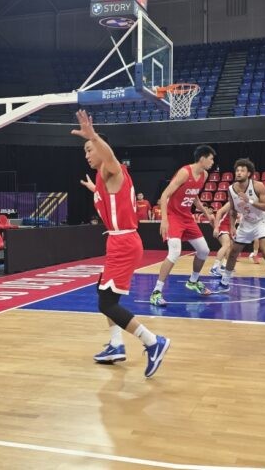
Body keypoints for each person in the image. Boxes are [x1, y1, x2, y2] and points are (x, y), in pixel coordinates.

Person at [73, 112, 170, 377]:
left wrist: (93, 135)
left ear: (101, 148)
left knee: (107, 304)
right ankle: (116, 345)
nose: (87, 154)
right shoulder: (102, 178)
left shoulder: (111, 168)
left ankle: (153, 342)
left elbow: (111, 158)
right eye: (85, 150)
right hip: (119, 241)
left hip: (124, 242)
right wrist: (94, 189)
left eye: (90, 149)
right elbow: (112, 198)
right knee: (103, 292)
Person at [149, 146, 217, 307]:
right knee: (174, 252)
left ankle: (193, 281)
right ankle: (156, 292)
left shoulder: (204, 175)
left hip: (186, 216)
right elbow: (164, 195)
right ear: (202, 158)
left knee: (204, 250)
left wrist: (207, 214)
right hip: (173, 216)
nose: (212, 162)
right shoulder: (185, 172)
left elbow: (194, 197)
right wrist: (164, 220)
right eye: (211, 159)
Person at [212, 158, 265, 303]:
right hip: (246, 222)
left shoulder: (258, 186)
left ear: (249, 173)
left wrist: (249, 201)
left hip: (261, 220)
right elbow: (233, 210)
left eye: (242, 170)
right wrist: (232, 226)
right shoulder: (231, 189)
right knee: (233, 252)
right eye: (237, 170)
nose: (239, 173)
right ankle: (224, 283)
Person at [209, 211, 234, 277]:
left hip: (230, 226)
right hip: (223, 224)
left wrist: (233, 227)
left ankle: (224, 265)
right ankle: (214, 268)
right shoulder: (230, 204)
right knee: (226, 245)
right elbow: (219, 212)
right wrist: (216, 228)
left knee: (230, 246)